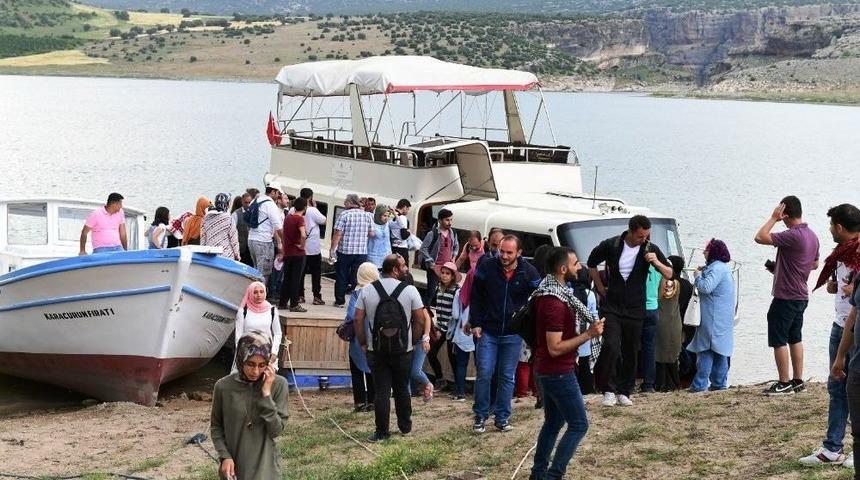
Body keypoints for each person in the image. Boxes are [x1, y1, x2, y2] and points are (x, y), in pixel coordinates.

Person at [530, 247, 604, 480]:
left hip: (549, 370)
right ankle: (553, 475)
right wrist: (589, 334)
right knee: (579, 424)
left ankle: (539, 473)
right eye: (575, 264)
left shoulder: (554, 292)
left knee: (553, 422)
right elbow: (555, 347)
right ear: (563, 269)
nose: (579, 268)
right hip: (557, 372)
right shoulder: (554, 303)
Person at [587, 215, 673, 407]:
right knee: (610, 345)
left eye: (647, 236)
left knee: (631, 350)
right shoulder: (612, 245)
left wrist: (656, 262)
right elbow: (591, 262)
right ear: (631, 232)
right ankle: (608, 390)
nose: (645, 240)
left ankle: (625, 391)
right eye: (641, 237)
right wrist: (600, 288)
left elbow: (669, 273)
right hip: (613, 306)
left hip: (636, 307)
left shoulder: (650, 248)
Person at [800, 204, 860, 467]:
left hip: (856, 326)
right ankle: (832, 448)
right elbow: (844, 286)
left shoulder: (858, 251)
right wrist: (835, 287)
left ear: (839, 227)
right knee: (837, 386)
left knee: (855, 386)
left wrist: (851, 291)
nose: (829, 230)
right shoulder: (842, 253)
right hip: (840, 323)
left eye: (831, 225)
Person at [467, 235, 540, 433]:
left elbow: (538, 297)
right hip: (488, 330)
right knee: (484, 373)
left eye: (509, 252)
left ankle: (502, 417)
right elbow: (476, 296)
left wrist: (526, 322)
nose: (505, 256)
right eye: (502, 251)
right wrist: (476, 322)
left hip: (513, 333)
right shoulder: (487, 267)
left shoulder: (528, 271)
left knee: (507, 377)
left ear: (519, 253)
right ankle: (480, 415)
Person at [354, 254, 429, 442]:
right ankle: (405, 426)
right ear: (395, 269)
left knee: (381, 391)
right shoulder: (410, 290)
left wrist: (364, 342)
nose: (406, 268)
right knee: (402, 387)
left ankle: (381, 432)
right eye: (403, 265)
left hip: (376, 349)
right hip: (403, 349)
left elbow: (357, 319)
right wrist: (413, 340)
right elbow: (420, 319)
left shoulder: (367, 290)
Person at [754, 196, 820, 395]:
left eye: (781, 214)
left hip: (786, 296)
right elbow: (815, 264)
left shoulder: (793, 235)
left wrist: (774, 218)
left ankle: (784, 383)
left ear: (785, 213)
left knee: (778, 338)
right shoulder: (812, 235)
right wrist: (787, 268)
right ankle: (798, 380)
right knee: (795, 336)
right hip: (801, 295)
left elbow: (760, 237)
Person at [211, 330, 288, 480]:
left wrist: (266, 394)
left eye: (262, 365)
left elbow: (276, 430)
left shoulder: (279, 385)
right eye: (250, 364)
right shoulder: (223, 386)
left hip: (266, 470)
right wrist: (224, 456)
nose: (255, 371)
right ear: (241, 359)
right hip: (233, 469)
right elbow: (216, 426)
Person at [686, 239, 736, 393]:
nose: (703, 252)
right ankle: (719, 383)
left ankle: (700, 384)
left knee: (705, 349)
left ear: (713, 252)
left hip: (712, 316)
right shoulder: (723, 268)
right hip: (723, 317)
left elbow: (706, 287)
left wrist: (697, 276)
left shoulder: (716, 269)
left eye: (706, 250)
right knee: (721, 350)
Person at [345, 262, 379, 412]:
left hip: (359, 335)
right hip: (376, 335)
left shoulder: (358, 293)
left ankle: (359, 401)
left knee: (357, 368)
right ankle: (373, 401)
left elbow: (351, 315)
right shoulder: (380, 292)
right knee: (373, 368)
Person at [330, 194, 372, 307]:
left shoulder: (344, 214)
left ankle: (340, 301)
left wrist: (332, 250)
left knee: (341, 275)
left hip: (345, 251)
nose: (344, 203)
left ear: (350, 202)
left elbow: (338, 233)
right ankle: (356, 301)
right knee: (357, 277)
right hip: (361, 252)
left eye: (345, 201)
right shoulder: (367, 216)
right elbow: (371, 233)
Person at [427, 261, 462, 390]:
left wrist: (444, 329)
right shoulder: (438, 288)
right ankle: (440, 378)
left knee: (452, 357)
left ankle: (459, 385)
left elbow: (455, 313)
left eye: (447, 274)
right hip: (440, 326)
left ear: (452, 276)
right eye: (442, 273)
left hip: (451, 329)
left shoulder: (456, 291)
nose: (444, 276)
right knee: (431, 352)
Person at [234, 282, 282, 370]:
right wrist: (242, 354)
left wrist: (274, 352)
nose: (258, 295)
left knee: (267, 381)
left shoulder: (272, 311)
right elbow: (238, 336)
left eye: (261, 292)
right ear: (250, 293)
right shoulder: (243, 311)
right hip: (247, 354)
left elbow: (278, 333)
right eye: (255, 292)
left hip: (267, 353)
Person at [654, 256, 684, 392]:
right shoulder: (679, 283)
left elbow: (658, 297)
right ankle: (672, 384)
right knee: (671, 354)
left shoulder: (667, 283)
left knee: (661, 355)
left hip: (662, 321)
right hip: (674, 322)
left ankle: (662, 384)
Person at [420, 209, 459, 304]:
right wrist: (431, 262)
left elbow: (456, 246)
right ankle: (424, 312)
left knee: (445, 292)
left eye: (451, 220)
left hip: (447, 268)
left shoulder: (452, 232)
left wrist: (453, 258)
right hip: (435, 268)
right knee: (431, 292)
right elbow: (423, 248)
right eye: (447, 220)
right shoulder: (433, 233)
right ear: (440, 221)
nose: (450, 222)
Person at [248, 186, 284, 287]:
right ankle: (259, 298)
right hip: (263, 242)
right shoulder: (270, 204)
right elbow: (278, 227)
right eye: (278, 193)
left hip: (251, 239)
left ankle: (253, 295)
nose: (279, 196)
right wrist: (284, 242)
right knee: (264, 273)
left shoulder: (255, 200)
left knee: (256, 270)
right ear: (273, 191)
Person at [296, 188, 327, 306]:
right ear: (311, 197)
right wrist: (315, 207)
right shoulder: (313, 210)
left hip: (299, 247)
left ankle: (300, 295)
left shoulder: (294, 209)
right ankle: (316, 296)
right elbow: (324, 221)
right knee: (316, 273)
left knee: (300, 273)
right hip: (313, 248)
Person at [278, 197, 308, 313]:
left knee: (287, 278)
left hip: (288, 252)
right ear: (305, 208)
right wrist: (302, 245)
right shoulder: (299, 219)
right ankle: (294, 304)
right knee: (296, 279)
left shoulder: (288, 218)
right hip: (298, 253)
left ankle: (282, 302)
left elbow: (284, 234)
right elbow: (303, 234)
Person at [640, 264, 662, 393]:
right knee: (649, 348)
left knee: (629, 346)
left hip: (637, 308)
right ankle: (648, 384)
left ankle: (629, 382)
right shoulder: (658, 266)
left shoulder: (636, 264)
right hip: (653, 307)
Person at [201, 193, 240, 260]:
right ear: (226, 204)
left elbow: (203, 238)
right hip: (226, 255)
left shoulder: (206, 218)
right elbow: (234, 240)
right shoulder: (229, 218)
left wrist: (203, 253)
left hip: (210, 255)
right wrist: (237, 255)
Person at [231, 193, 254, 267]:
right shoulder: (236, 214)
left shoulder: (254, 213)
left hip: (252, 247)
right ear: (242, 202)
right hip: (241, 248)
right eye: (245, 202)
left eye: (249, 202)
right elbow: (231, 231)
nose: (247, 205)